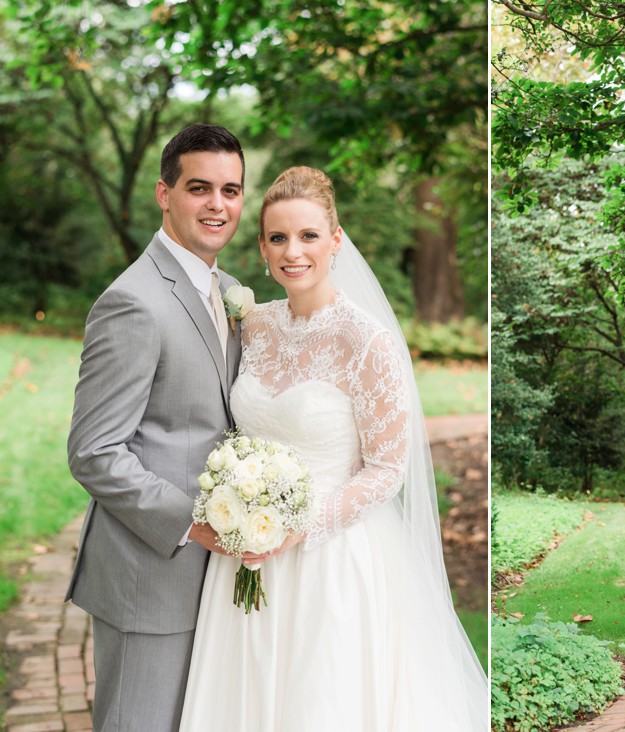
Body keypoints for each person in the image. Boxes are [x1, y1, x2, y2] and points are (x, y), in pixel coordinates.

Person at [179, 166, 488, 730]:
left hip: (331, 556)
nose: (292, 252)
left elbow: (389, 467)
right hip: (245, 553)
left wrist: (300, 525)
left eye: (308, 236)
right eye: (278, 238)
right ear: (263, 246)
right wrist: (245, 515)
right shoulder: (255, 325)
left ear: (336, 240)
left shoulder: (365, 340)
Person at [66, 124, 246, 731]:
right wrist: (195, 523)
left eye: (231, 190)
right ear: (165, 194)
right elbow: (94, 452)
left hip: (217, 579)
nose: (217, 205)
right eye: (200, 188)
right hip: (150, 575)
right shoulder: (134, 301)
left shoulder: (225, 291)